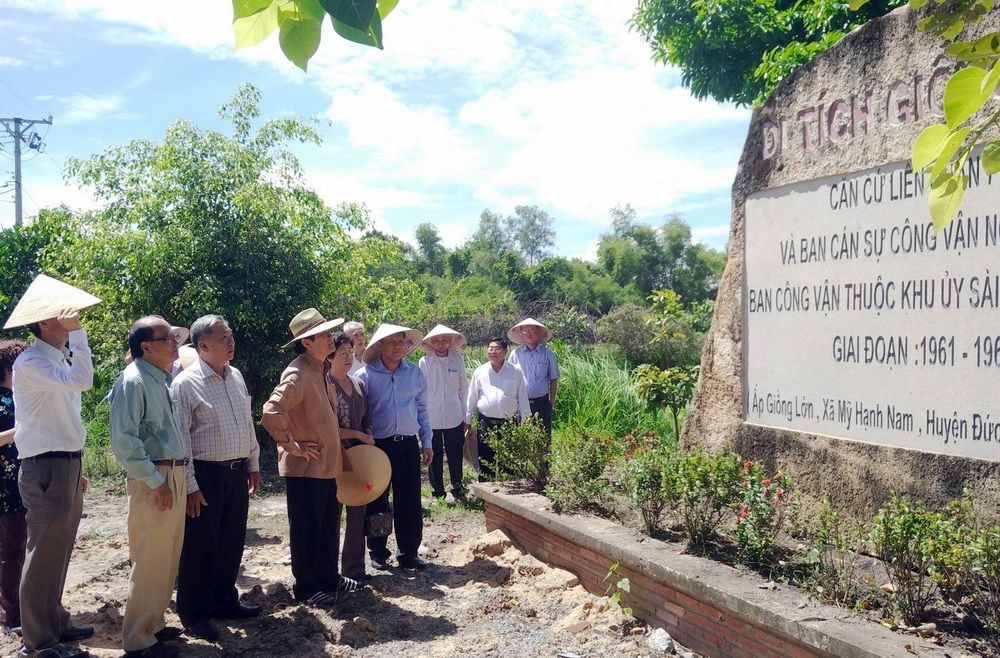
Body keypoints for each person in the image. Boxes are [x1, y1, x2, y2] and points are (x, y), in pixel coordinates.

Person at [7, 274, 100, 658]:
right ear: (46, 322)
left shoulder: (51, 359)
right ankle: (39, 641)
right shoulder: (31, 362)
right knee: (43, 551)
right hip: (46, 467)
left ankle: (54, 622)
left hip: (62, 465)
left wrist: (77, 466)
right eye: (66, 314)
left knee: (57, 550)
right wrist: (80, 336)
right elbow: (84, 380)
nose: (74, 318)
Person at [261, 309, 361, 605]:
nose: (331, 339)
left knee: (328, 523)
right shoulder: (297, 372)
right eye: (325, 335)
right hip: (305, 468)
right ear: (307, 342)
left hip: (326, 466)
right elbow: (271, 412)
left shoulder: (318, 369)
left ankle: (328, 578)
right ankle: (306, 587)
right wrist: (291, 446)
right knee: (307, 528)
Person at [173, 315, 262, 641]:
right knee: (200, 547)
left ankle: (224, 601)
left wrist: (253, 462)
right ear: (202, 346)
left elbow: (246, 423)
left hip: (237, 471)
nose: (230, 341)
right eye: (223, 337)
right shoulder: (185, 384)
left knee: (231, 541)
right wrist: (191, 486)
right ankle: (194, 614)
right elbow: (180, 439)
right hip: (207, 475)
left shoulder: (235, 376)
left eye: (230, 336)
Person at [110, 315, 189, 658]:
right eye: (167, 337)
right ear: (146, 347)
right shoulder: (133, 381)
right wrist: (156, 482)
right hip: (154, 477)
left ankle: (153, 624)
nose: (175, 342)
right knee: (150, 557)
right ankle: (138, 639)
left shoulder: (161, 380)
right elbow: (125, 443)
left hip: (172, 474)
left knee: (167, 555)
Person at [356, 324, 432, 572]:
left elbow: (422, 409)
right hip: (379, 445)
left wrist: (427, 440)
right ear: (379, 346)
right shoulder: (365, 376)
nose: (399, 347)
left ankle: (409, 552)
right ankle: (378, 551)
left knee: (409, 499)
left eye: (402, 342)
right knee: (377, 499)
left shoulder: (414, 373)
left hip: (408, 444)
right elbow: (361, 414)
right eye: (392, 342)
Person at [325, 332, 375, 581]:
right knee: (332, 515)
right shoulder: (325, 385)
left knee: (358, 514)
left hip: (361, 458)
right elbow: (327, 427)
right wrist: (357, 433)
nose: (347, 358)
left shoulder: (359, 384)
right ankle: (328, 573)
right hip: (335, 458)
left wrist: (367, 432)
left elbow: (368, 416)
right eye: (341, 353)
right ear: (330, 356)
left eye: (350, 352)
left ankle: (354, 570)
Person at [466, 337, 530, 481]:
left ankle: (509, 492)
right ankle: (486, 493)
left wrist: (525, 418)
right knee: (485, 458)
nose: (493, 352)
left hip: (509, 423)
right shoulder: (480, 371)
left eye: (497, 349)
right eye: (491, 348)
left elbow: (523, 397)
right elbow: (472, 397)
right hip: (486, 422)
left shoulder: (515, 371)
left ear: (505, 351)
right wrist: (468, 420)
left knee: (509, 459)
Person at [417, 325, 469, 504]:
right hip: (432, 416)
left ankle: (457, 486)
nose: (441, 344)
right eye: (437, 340)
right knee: (434, 454)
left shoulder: (458, 360)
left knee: (455, 452)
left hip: (454, 414)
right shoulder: (425, 362)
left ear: (450, 341)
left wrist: (466, 415)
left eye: (444, 340)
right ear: (431, 342)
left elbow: (463, 388)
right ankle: (437, 490)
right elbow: (421, 390)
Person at [0, 339, 28, 635]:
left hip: (23, 481)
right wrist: (21, 428)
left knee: (19, 548)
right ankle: (13, 615)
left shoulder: (19, 397)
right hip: (6, 487)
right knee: (12, 551)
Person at [507, 318, 560, 439]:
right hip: (521, 404)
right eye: (525, 330)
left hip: (542, 403)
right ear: (521, 333)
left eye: (532, 330)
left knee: (543, 439)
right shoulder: (515, 355)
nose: (528, 333)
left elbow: (553, 380)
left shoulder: (548, 354)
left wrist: (550, 403)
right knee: (522, 439)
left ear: (539, 331)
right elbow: (510, 380)